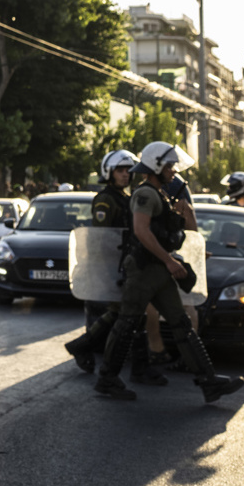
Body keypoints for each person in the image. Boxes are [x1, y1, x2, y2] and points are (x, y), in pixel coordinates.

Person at [95, 141, 244, 402]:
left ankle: (208, 382)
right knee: (126, 323)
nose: (174, 171)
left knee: (181, 324)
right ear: (155, 166)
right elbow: (141, 232)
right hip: (144, 270)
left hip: (158, 270)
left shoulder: (159, 194)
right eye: (170, 166)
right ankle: (107, 379)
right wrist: (169, 261)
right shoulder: (145, 194)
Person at [63, 150, 167, 386]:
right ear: (108, 173)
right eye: (120, 171)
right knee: (130, 314)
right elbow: (103, 238)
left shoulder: (125, 197)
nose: (125, 175)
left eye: (128, 171)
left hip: (126, 264)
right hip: (113, 267)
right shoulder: (105, 199)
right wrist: (108, 270)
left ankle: (83, 346)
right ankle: (133, 369)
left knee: (124, 314)